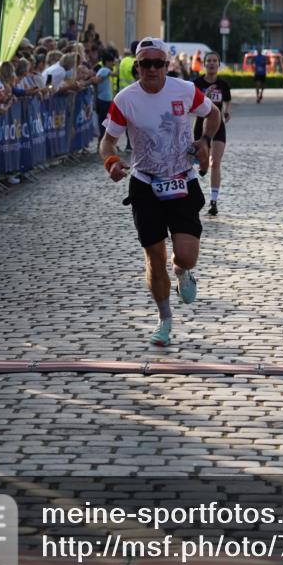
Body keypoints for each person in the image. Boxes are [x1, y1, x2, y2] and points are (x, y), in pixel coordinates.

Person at [99, 37, 220, 348]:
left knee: (186, 256)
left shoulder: (183, 90)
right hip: (144, 182)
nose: (151, 69)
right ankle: (164, 319)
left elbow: (213, 114)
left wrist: (204, 141)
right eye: (145, 64)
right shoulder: (125, 99)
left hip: (182, 179)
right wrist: (111, 162)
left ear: (167, 65)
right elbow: (107, 141)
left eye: (158, 63)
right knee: (155, 256)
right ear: (136, 66)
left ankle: (182, 272)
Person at [193, 51, 232, 216]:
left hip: (218, 126)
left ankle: (213, 201)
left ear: (218, 64)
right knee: (203, 161)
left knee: (215, 162)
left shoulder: (223, 84)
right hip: (201, 126)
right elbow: (191, 105)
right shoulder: (197, 83)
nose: (211, 63)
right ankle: (202, 167)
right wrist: (205, 96)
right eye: (208, 61)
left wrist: (227, 111)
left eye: (215, 61)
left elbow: (227, 100)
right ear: (204, 64)